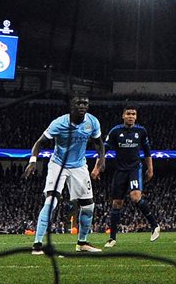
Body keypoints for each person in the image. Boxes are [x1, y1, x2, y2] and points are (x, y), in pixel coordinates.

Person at [23, 94, 106, 254]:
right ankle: (37, 244)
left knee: (88, 206)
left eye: (85, 103)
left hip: (80, 166)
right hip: (58, 164)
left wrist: (101, 159)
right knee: (51, 202)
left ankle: (82, 243)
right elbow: (39, 142)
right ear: (71, 106)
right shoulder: (59, 123)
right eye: (78, 103)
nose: (82, 106)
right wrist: (33, 160)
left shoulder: (92, 122)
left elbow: (99, 142)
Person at [103, 104, 162, 248]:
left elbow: (147, 152)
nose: (131, 116)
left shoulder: (141, 131)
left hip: (135, 169)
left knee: (135, 196)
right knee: (117, 204)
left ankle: (155, 226)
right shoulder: (115, 131)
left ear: (136, 117)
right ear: (123, 115)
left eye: (133, 114)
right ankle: (112, 238)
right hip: (120, 171)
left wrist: (150, 169)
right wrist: (97, 167)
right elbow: (104, 149)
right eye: (128, 114)